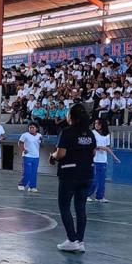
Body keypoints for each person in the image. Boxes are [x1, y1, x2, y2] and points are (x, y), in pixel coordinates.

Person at [50, 104, 96, 253]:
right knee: (81, 208)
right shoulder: (90, 134)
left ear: (72, 117)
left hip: (69, 174)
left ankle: (71, 239)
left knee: (64, 207)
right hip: (87, 174)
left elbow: (61, 154)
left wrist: (52, 156)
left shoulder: (67, 132)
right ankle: (80, 241)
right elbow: (93, 153)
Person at [88, 119, 120, 203]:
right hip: (94, 159)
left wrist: (114, 157)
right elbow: (93, 146)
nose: (96, 125)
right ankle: (87, 195)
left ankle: (100, 197)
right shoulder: (92, 133)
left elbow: (107, 147)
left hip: (103, 160)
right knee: (94, 180)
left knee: (101, 181)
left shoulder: (107, 135)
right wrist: (102, 148)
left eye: (98, 123)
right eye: (95, 123)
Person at [18, 122, 42, 192]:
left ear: (37, 129)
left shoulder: (39, 135)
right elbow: (20, 143)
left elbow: (42, 145)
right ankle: (21, 184)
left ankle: (32, 187)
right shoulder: (25, 135)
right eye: (30, 127)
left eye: (33, 127)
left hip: (36, 156)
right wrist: (23, 150)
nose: (31, 129)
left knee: (34, 172)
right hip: (27, 156)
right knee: (27, 172)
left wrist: (42, 141)